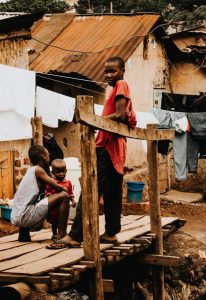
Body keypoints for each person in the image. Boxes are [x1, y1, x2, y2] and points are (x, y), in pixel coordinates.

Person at [56, 56, 137, 247]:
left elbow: (119, 115)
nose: (108, 75)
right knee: (112, 192)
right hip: (115, 148)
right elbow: (122, 117)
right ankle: (111, 232)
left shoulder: (122, 85)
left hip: (107, 147)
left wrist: (92, 121)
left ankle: (76, 235)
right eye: (106, 71)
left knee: (91, 189)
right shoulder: (115, 89)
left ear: (122, 71)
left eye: (113, 71)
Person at [11, 145, 70, 242]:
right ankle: (62, 233)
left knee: (29, 202)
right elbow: (58, 188)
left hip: (16, 216)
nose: (49, 159)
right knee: (64, 196)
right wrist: (66, 189)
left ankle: (24, 235)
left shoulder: (30, 170)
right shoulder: (39, 171)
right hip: (26, 216)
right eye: (48, 156)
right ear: (43, 156)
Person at [45, 159, 75, 240]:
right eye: (58, 172)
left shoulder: (68, 183)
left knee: (62, 220)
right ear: (52, 172)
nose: (61, 174)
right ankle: (54, 234)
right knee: (54, 222)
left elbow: (70, 193)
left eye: (63, 171)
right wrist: (52, 195)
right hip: (54, 208)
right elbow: (47, 193)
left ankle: (61, 232)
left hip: (64, 207)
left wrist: (73, 200)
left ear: (66, 171)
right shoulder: (52, 182)